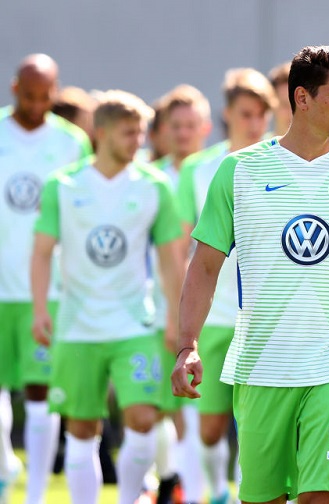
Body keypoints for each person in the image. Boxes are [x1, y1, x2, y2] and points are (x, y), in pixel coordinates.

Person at [171, 45, 329, 504]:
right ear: (302, 98)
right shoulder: (239, 170)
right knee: (264, 498)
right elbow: (204, 266)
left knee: (324, 496)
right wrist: (188, 344)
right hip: (262, 365)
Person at [30, 89, 184, 504]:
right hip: (77, 326)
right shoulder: (62, 185)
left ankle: (129, 498)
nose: (139, 141)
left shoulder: (154, 186)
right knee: (81, 429)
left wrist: (175, 319)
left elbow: (171, 260)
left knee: (143, 418)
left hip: (136, 324)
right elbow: (42, 252)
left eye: (141, 132)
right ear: (100, 133)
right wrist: (41, 309)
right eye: (128, 133)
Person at [176, 66, 277, 504]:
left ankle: (241, 495)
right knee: (211, 426)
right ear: (228, 114)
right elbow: (183, 249)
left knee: (254, 422)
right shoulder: (199, 169)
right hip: (214, 318)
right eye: (245, 114)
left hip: (263, 317)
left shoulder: (282, 162)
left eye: (261, 114)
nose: (254, 123)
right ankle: (217, 490)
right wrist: (181, 320)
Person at [0, 53, 91, 504]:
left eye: (45, 96)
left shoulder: (72, 142)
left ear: (55, 93)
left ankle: (33, 495)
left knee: (40, 390)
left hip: (48, 290)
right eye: (30, 96)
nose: (37, 105)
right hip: (1, 287)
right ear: (15, 89)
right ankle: (6, 466)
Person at [147, 82, 212, 504]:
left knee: (201, 407)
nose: (184, 133)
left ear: (204, 127)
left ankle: (196, 486)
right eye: (176, 125)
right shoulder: (149, 177)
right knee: (158, 402)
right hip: (151, 302)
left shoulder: (215, 170)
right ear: (163, 130)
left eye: (191, 124)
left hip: (203, 304)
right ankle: (168, 478)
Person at [267, 61, 292, 137]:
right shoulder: (256, 144)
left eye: (298, 104)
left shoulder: (322, 143)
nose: (292, 112)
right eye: (285, 104)